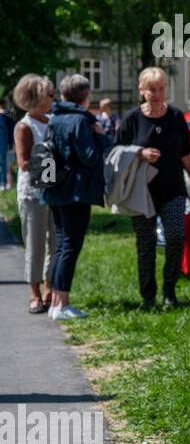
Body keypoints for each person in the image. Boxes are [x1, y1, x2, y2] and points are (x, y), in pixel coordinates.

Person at [116, 67, 190, 310]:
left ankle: (169, 290)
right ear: (141, 91)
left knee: (176, 237)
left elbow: (186, 155)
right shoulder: (132, 119)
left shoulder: (176, 117)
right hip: (141, 192)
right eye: (151, 89)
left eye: (161, 89)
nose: (156, 94)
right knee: (146, 244)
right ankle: (147, 296)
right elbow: (115, 154)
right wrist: (140, 153)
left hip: (173, 188)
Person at [41, 73, 113, 320]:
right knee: (70, 246)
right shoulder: (82, 121)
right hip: (76, 191)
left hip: (55, 189)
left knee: (62, 245)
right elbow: (90, 156)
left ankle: (55, 303)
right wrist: (100, 135)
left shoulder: (54, 118)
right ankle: (62, 304)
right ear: (85, 96)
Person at [12, 75, 56, 313]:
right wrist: (52, 157)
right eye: (49, 94)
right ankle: (34, 293)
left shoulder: (53, 120)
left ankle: (50, 288)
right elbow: (24, 162)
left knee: (56, 243)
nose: (54, 98)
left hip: (54, 191)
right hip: (33, 192)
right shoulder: (24, 126)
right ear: (36, 98)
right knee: (35, 243)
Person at [0, 98, 11, 191]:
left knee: (3, 162)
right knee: (4, 162)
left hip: (3, 141)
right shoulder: (6, 115)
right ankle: (4, 183)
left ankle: (4, 183)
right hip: (5, 141)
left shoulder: (3, 115)